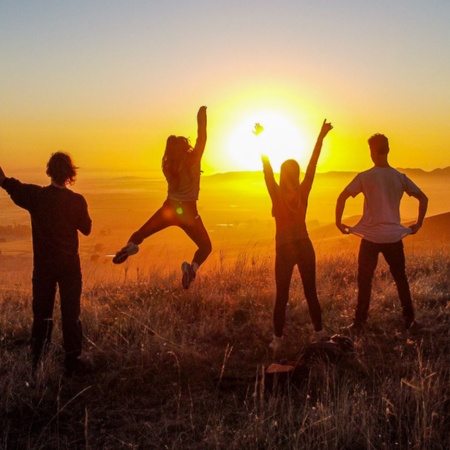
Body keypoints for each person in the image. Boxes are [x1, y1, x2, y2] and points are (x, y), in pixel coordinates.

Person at [0, 153, 92, 376]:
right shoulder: (76, 200)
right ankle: (72, 362)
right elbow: (87, 229)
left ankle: (38, 363)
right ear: (71, 174)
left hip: (43, 268)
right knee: (71, 314)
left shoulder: (36, 196)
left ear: (49, 171)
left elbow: (11, 186)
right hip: (70, 268)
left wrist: (3, 179)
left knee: (42, 314)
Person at [335, 133, 428, 332]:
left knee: (365, 279)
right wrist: (418, 224)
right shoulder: (399, 177)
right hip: (394, 237)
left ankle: (359, 323)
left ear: (372, 151)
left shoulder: (365, 177)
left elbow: (342, 197)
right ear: (387, 150)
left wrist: (338, 222)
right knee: (400, 278)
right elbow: (423, 198)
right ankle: (410, 320)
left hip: (370, 237)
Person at [113, 106, 212, 289]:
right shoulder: (194, 160)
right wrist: (201, 116)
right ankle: (192, 269)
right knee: (205, 247)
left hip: (169, 209)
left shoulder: (167, 167)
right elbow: (202, 138)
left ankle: (130, 246)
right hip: (189, 212)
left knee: (141, 233)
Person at [260, 119, 333, 352]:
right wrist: (320, 137)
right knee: (310, 291)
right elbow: (313, 165)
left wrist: (261, 139)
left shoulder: (276, 194)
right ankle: (320, 333)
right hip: (304, 245)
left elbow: (267, 170)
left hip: (284, 248)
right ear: (297, 173)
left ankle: (278, 340)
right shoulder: (303, 191)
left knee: (281, 295)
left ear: (284, 174)